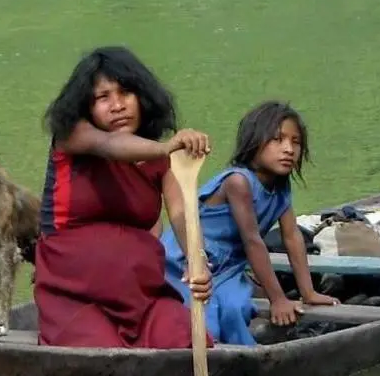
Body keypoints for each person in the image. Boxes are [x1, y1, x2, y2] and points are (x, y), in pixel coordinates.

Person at [34, 45, 215, 349]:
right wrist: (167, 147)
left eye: (126, 93)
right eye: (103, 97)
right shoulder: (74, 136)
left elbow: (181, 214)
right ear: (87, 107)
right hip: (75, 296)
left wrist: (197, 260)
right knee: (102, 355)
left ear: (142, 97)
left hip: (141, 295)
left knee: (186, 339)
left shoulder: (163, 161)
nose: (117, 105)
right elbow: (110, 145)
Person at [160, 100, 340, 346]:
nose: (288, 149)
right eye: (277, 140)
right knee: (205, 319)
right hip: (189, 260)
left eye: (295, 142)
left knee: (236, 308)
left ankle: (241, 363)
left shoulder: (281, 185)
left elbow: (292, 237)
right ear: (254, 143)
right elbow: (252, 241)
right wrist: (277, 299)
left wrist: (307, 292)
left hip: (229, 265)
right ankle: (205, 364)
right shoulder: (238, 182)